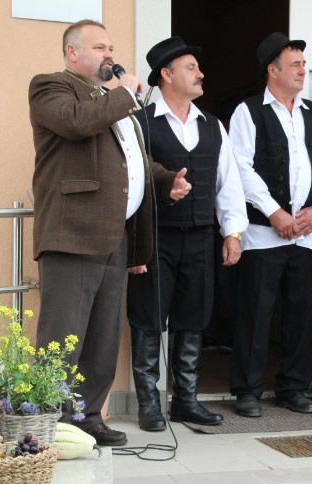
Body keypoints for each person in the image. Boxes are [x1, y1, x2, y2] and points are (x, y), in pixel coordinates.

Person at [29, 20, 191, 446]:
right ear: (72, 53)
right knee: (63, 336)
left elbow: (133, 161)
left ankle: (87, 417)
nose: (110, 55)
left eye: (112, 47)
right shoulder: (51, 87)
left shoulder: (112, 103)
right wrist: (125, 95)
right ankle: (49, 424)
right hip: (72, 234)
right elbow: (75, 123)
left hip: (116, 236)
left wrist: (165, 181)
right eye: (100, 47)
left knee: (102, 337)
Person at [126, 37, 248, 431]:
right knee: (148, 319)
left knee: (193, 318)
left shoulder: (212, 125)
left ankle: (186, 400)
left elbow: (228, 183)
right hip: (154, 238)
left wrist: (233, 232)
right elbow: (130, 182)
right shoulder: (140, 122)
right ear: (166, 74)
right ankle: (149, 403)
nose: (201, 74)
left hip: (198, 237)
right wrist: (132, 246)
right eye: (191, 68)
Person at [228, 32, 312, 418]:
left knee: (300, 314)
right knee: (256, 314)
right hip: (263, 234)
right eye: (295, 65)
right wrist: (274, 211)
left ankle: (293, 388)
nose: (302, 71)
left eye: (303, 65)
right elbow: (240, 167)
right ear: (272, 71)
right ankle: (247, 390)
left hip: (305, 234)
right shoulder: (248, 112)